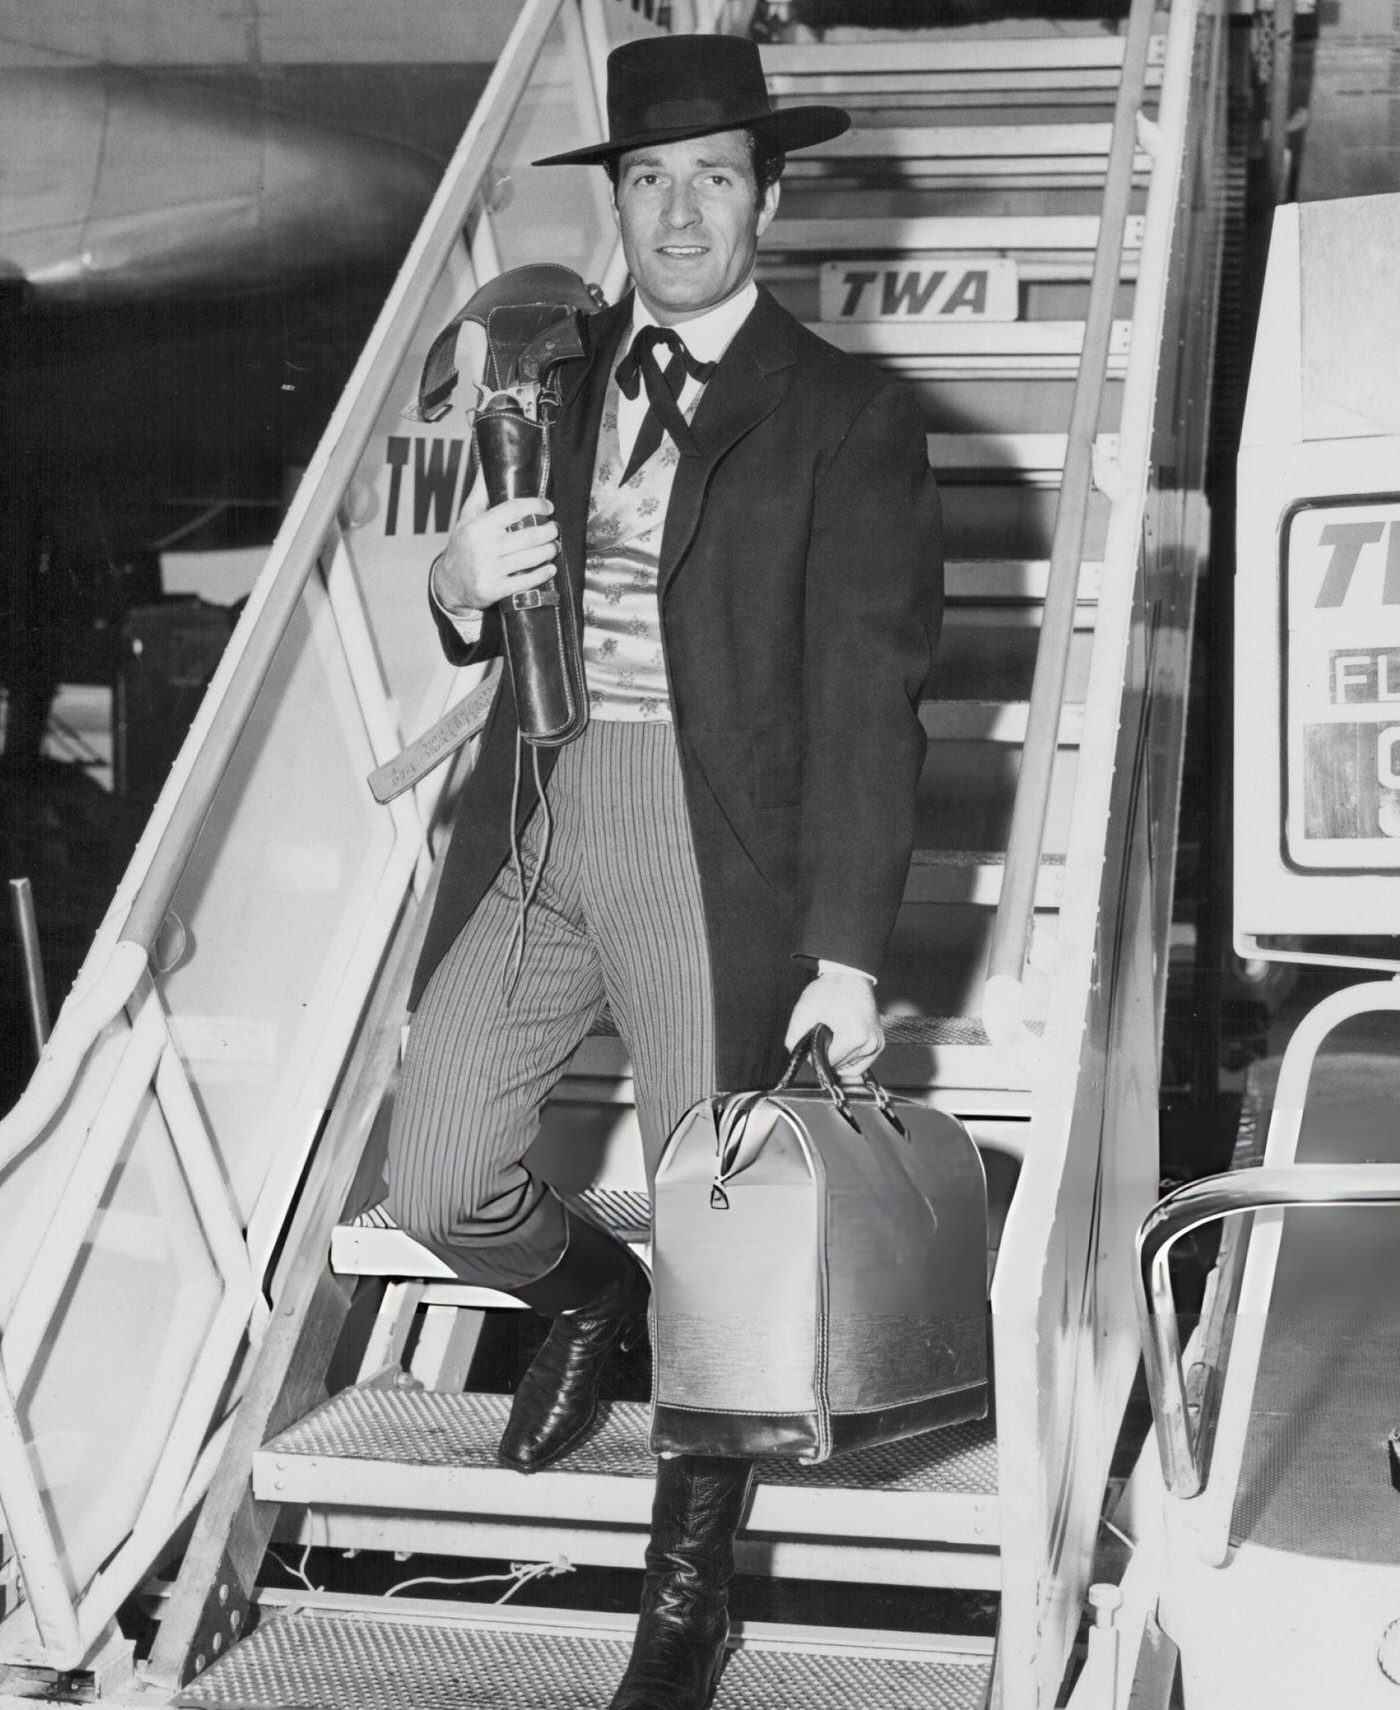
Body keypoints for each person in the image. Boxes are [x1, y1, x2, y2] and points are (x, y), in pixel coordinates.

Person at [384, 32, 942, 1709]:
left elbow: (870, 701)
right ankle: (596, 1299)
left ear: (769, 197)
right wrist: (458, 587)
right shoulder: (547, 370)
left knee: (731, 1240)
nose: (680, 211)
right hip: (544, 813)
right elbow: (492, 607)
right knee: (438, 1175)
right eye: (649, 178)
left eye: (715, 177)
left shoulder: (848, 417)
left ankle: (686, 1590)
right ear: (616, 199)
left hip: (719, 851)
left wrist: (847, 947)